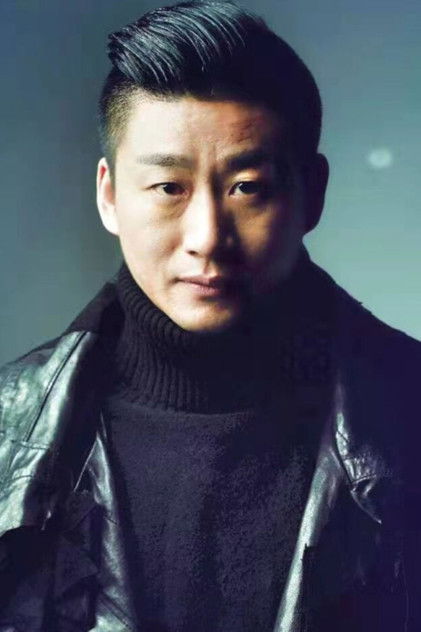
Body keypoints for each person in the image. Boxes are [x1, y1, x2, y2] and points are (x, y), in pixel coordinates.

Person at [0, 1, 420, 631]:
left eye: (247, 188)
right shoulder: (8, 432)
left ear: (312, 193)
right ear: (109, 195)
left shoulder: (409, 407)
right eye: (169, 188)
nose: (206, 237)